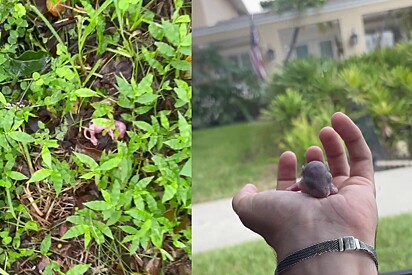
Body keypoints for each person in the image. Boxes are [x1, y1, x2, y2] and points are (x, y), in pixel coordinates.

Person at [232, 112, 378, 275]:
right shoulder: (313, 185)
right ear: (304, 181)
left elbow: (297, 188)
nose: (324, 192)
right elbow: (297, 188)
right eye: (314, 186)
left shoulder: (314, 184)